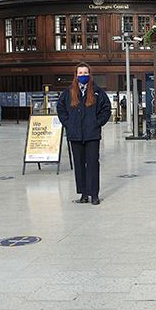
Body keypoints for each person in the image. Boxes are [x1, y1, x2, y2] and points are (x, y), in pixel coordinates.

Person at [56, 63, 111, 205]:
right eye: (80, 73)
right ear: (76, 75)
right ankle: (83, 193)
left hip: (92, 134)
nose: (83, 75)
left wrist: (97, 122)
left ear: (89, 74)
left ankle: (94, 194)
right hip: (75, 134)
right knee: (79, 164)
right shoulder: (68, 92)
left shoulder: (98, 92)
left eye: (85, 72)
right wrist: (68, 124)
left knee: (92, 163)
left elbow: (106, 109)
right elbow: (61, 109)